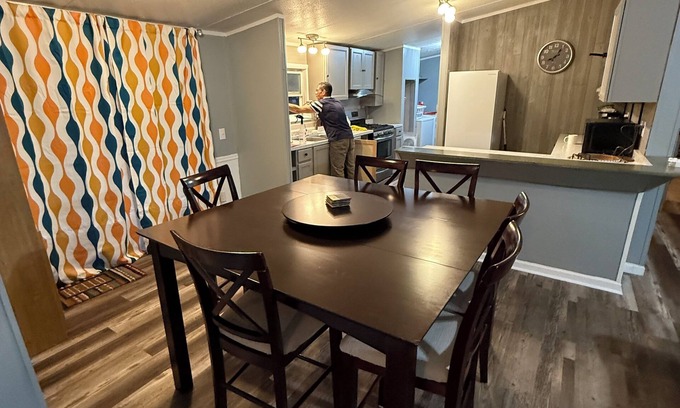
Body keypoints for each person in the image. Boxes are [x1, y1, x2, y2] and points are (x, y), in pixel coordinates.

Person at [288, 82, 355, 179]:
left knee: (338, 169)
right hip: (349, 137)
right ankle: (352, 188)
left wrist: (284, 102)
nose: (315, 93)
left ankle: (340, 189)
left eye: (317, 90)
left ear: (323, 92)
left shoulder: (321, 103)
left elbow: (298, 110)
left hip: (338, 139)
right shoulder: (337, 102)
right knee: (350, 168)